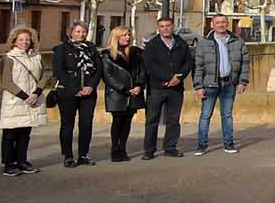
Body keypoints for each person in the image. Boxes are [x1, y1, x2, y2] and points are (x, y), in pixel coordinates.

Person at [191, 14, 249, 155]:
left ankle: (228, 144)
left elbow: (245, 64)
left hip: (229, 84)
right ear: (212, 25)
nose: (221, 25)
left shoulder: (238, 41)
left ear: (227, 24)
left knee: (227, 115)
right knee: (205, 115)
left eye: (223, 22)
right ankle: (201, 145)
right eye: (217, 22)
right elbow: (198, 66)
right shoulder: (204, 43)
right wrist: (198, 86)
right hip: (209, 84)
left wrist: (243, 82)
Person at [52, 21, 102, 167]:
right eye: (78, 31)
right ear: (71, 33)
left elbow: (98, 70)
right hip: (68, 92)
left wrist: (91, 86)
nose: (81, 34)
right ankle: (68, 155)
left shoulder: (91, 49)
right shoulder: (61, 49)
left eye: (83, 32)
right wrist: (75, 89)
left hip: (88, 92)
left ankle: (84, 154)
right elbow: (58, 71)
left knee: (86, 124)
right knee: (67, 124)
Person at [141, 17, 191, 159]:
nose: (165, 28)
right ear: (158, 28)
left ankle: (170, 147)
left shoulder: (181, 43)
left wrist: (179, 77)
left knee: (173, 120)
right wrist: (168, 78)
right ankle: (149, 150)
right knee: (152, 120)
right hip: (157, 88)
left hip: (176, 89)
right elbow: (149, 65)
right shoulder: (152, 45)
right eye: (162, 26)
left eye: (168, 26)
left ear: (172, 26)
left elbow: (188, 62)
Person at [0, 27, 47, 175]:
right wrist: (25, 96)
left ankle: (22, 160)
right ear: (14, 41)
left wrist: (36, 93)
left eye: (27, 39)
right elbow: (7, 82)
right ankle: (9, 163)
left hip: (33, 99)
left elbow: (44, 76)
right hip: (15, 100)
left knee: (25, 132)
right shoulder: (9, 58)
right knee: (10, 134)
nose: (25, 42)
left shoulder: (36, 57)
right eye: (21, 39)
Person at [99, 26, 145, 163]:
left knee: (127, 122)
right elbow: (108, 76)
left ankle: (123, 148)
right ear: (116, 37)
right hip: (117, 94)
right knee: (118, 121)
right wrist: (125, 88)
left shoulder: (136, 53)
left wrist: (139, 85)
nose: (127, 37)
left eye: (128, 35)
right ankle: (115, 149)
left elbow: (142, 71)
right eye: (124, 35)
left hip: (133, 93)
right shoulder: (107, 54)